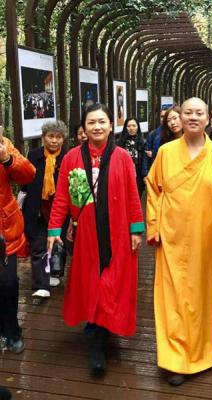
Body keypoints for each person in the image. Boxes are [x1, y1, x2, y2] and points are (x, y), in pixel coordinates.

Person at [146, 97, 212, 386]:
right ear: (178, 116)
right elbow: (153, 190)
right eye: (187, 112)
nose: (192, 117)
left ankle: (203, 355)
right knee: (172, 300)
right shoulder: (165, 152)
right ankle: (176, 359)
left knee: (202, 299)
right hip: (172, 239)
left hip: (206, 239)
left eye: (198, 113)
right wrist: (153, 227)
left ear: (208, 119)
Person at [47, 104, 144, 376]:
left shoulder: (123, 157)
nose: (97, 127)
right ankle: (98, 338)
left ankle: (102, 332)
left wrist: (136, 228)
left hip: (117, 231)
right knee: (93, 281)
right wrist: (55, 229)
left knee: (111, 282)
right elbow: (63, 197)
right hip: (86, 233)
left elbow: (133, 195)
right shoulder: (72, 158)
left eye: (102, 121)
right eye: (92, 122)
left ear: (111, 126)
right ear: (83, 128)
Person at [22, 121, 68, 298]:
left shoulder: (67, 157)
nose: (54, 141)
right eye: (50, 136)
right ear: (43, 137)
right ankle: (41, 284)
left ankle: (56, 272)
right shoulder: (33, 155)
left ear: (63, 139)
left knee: (58, 244)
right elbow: (25, 181)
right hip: (37, 208)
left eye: (58, 137)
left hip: (59, 209)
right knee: (38, 245)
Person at [0, 125, 36, 354]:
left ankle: (12, 331)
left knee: (8, 284)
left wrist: (6, 158)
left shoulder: (4, 144)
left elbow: (28, 174)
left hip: (5, 231)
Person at [117, 117, 145, 196]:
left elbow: (144, 161)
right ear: (125, 128)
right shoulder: (119, 143)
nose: (131, 128)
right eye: (129, 126)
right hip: (123, 175)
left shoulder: (142, 142)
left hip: (138, 176)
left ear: (138, 127)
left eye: (134, 126)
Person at [142, 108, 167, 179]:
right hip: (155, 171)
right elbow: (146, 155)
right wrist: (145, 174)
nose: (163, 119)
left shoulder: (176, 133)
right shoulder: (153, 134)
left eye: (165, 117)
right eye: (162, 116)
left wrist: (153, 154)